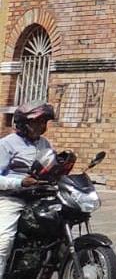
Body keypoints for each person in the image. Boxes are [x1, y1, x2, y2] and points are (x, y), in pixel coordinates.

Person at [0, 104, 55, 274]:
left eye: (44, 122)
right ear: (23, 123)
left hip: (39, 197)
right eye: (37, 122)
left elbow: (52, 167)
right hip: (12, 197)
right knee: (4, 240)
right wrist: (20, 183)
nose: (42, 126)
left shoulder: (45, 144)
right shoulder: (6, 144)